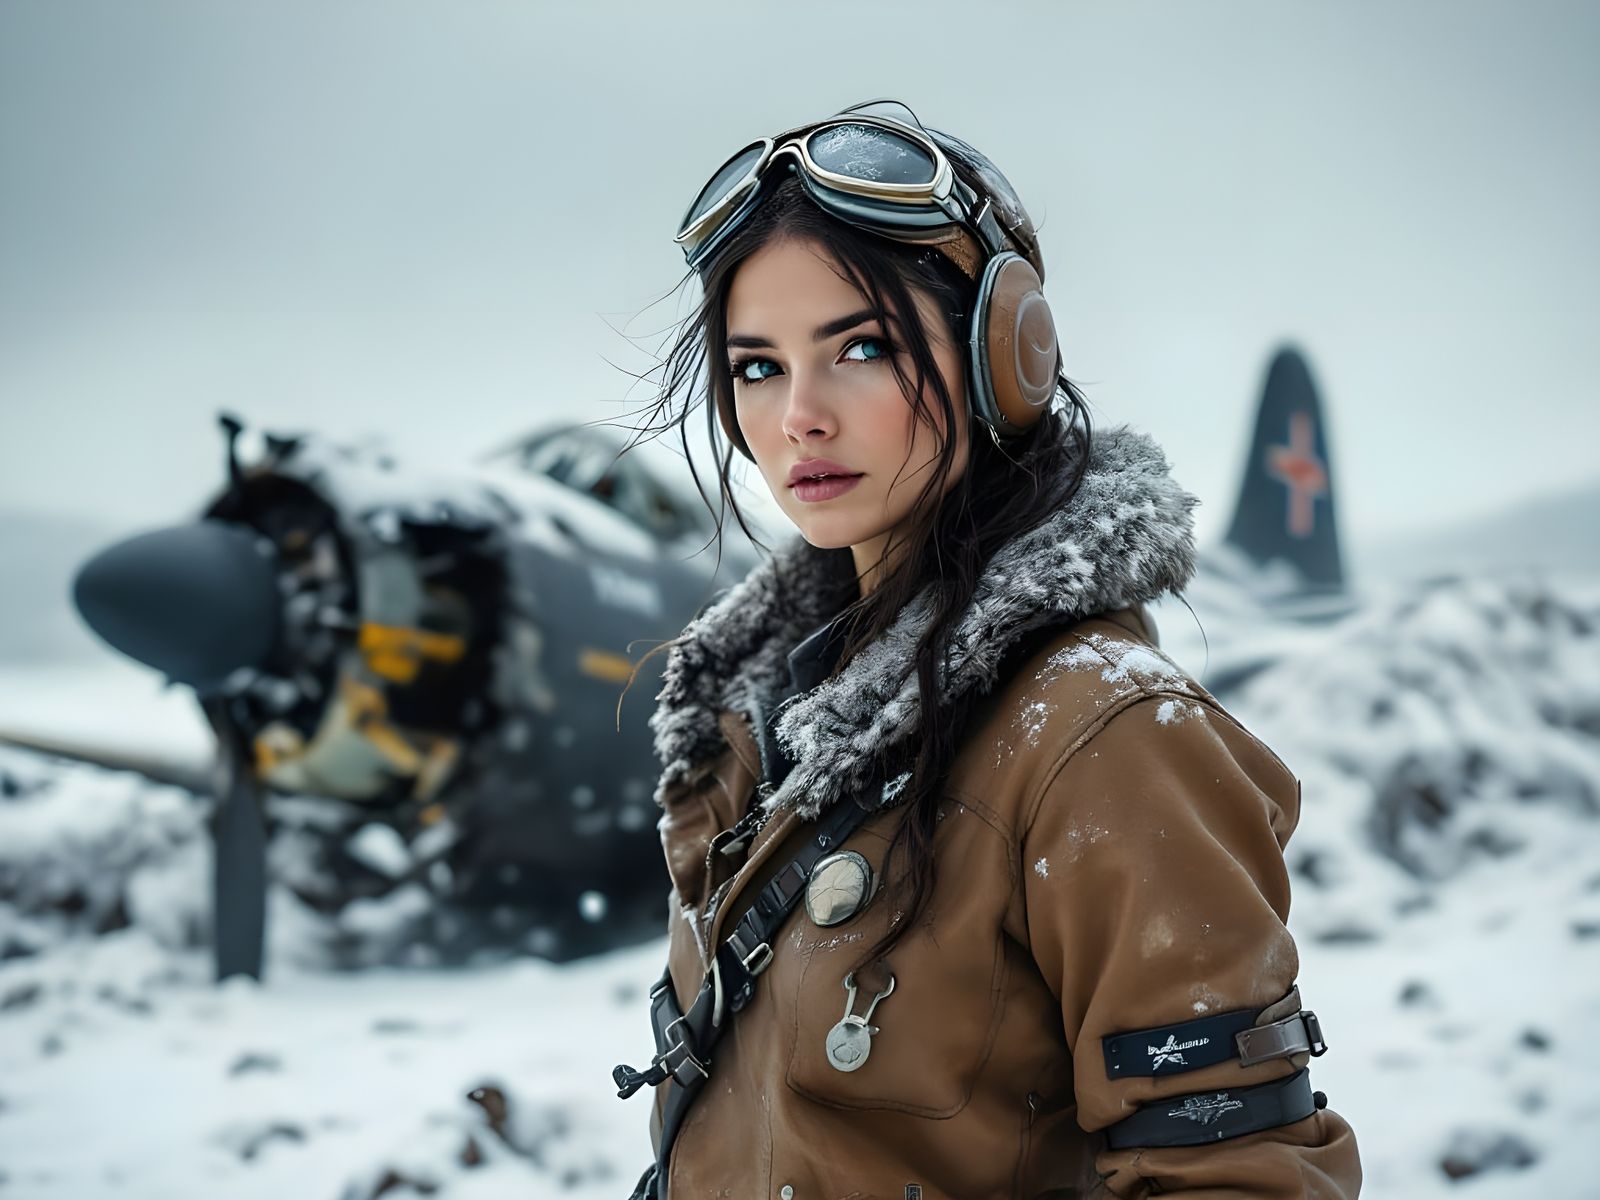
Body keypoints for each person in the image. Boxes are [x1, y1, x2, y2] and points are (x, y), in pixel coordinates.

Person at [613, 99, 1362, 1199]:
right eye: (757, 367)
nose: (797, 418)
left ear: (1003, 355)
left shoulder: (1105, 739)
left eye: (859, 347)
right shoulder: (761, 719)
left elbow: (1238, 1176)